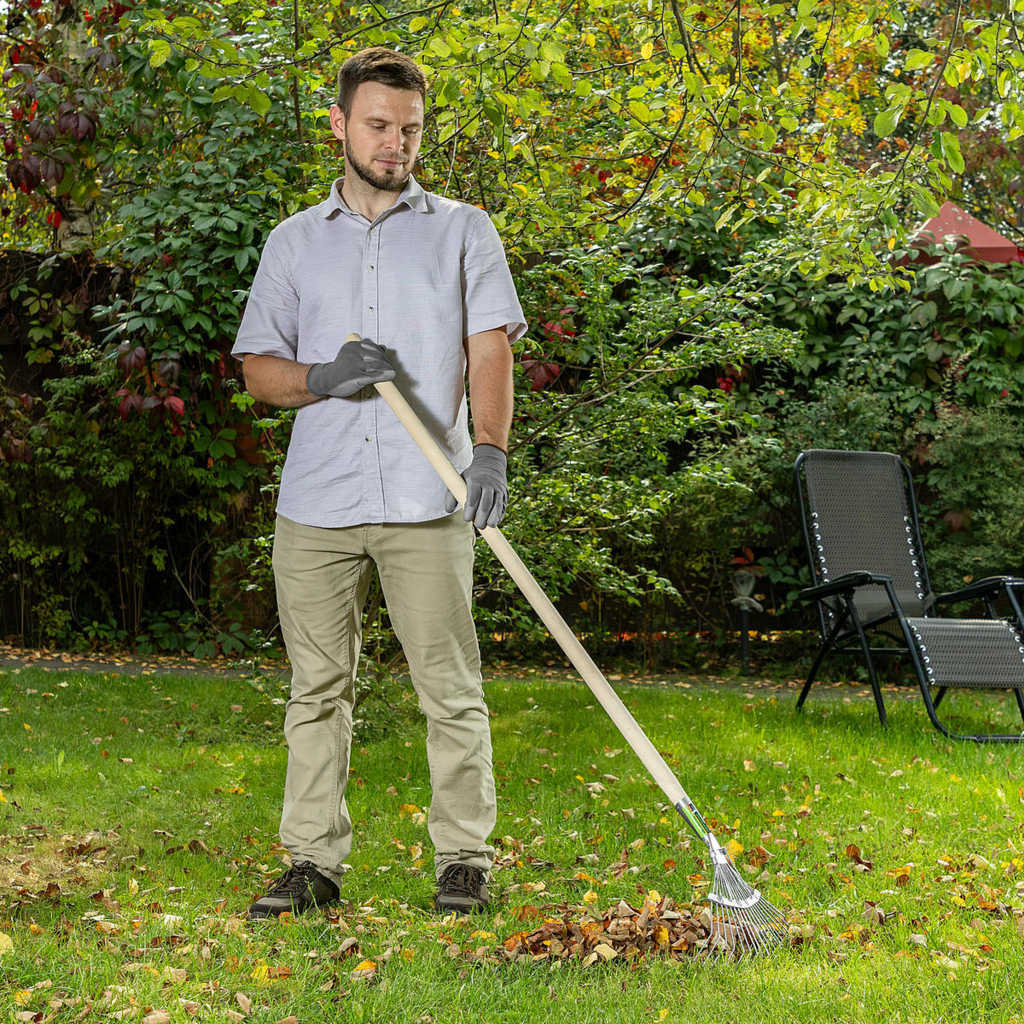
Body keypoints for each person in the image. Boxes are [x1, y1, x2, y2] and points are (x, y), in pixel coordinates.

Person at [232, 46, 526, 919]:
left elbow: (490, 347)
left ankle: (463, 861)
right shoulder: (293, 243)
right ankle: (312, 864)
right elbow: (257, 369)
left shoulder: (463, 230)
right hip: (316, 504)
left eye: (409, 129)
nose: (395, 144)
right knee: (316, 690)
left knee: (450, 686)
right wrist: (322, 377)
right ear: (339, 124)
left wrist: (491, 450)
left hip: (424, 498)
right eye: (378, 125)